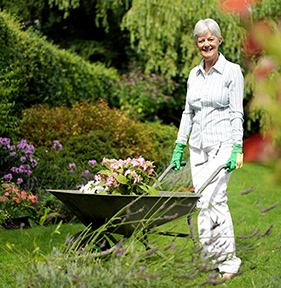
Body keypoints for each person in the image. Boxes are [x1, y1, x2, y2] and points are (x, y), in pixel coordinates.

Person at [171, 18, 244, 279]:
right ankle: (209, 257)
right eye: (201, 40)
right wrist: (180, 145)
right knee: (202, 202)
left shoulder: (231, 71)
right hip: (198, 147)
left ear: (219, 41)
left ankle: (229, 263)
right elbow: (188, 112)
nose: (206, 43)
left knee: (216, 199)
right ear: (196, 43)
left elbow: (237, 112)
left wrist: (237, 147)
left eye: (210, 39)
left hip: (223, 144)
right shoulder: (193, 74)